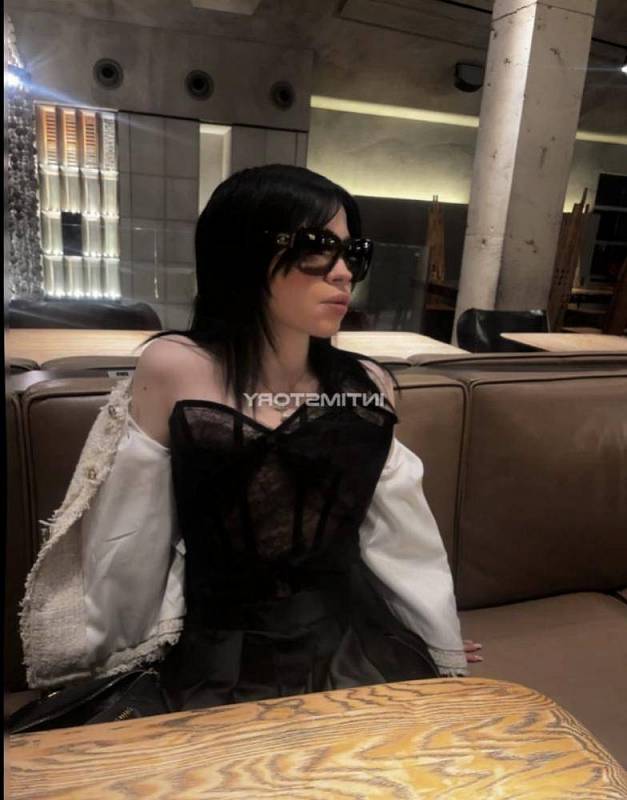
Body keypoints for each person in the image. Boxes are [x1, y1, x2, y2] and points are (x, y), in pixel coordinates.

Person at [17, 165, 480, 725]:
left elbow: (400, 534)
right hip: (212, 652)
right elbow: (131, 529)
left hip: (350, 641)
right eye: (316, 248)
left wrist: (434, 635)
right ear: (243, 251)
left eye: (352, 253)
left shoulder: (367, 384)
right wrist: (108, 654)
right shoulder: (174, 368)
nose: (342, 274)